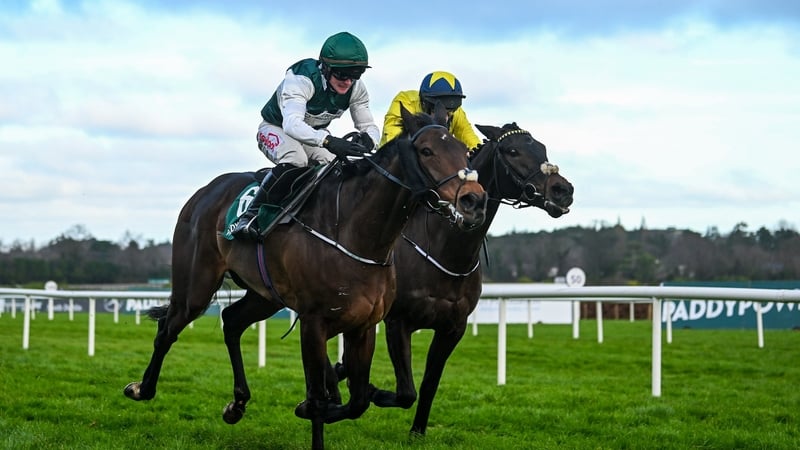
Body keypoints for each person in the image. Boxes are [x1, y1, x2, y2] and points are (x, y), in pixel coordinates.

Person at [232, 31, 381, 239]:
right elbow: (292, 125)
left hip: (311, 134)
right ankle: (251, 216)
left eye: (355, 74)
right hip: (276, 128)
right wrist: (329, 141)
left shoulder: (357, 89)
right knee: (297, 159)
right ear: (326, 68)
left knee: (338, 164)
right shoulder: (301, 79)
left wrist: (368, 139)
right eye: (342, 74)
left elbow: (369, 126)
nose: (348, 82)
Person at [379, 70, 482, 151]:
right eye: (437, 110)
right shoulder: (405, 102)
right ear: (424, 103)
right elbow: (395, 138)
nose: (445, 118)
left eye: (449, 111)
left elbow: (472, 141)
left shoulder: (456, 112)